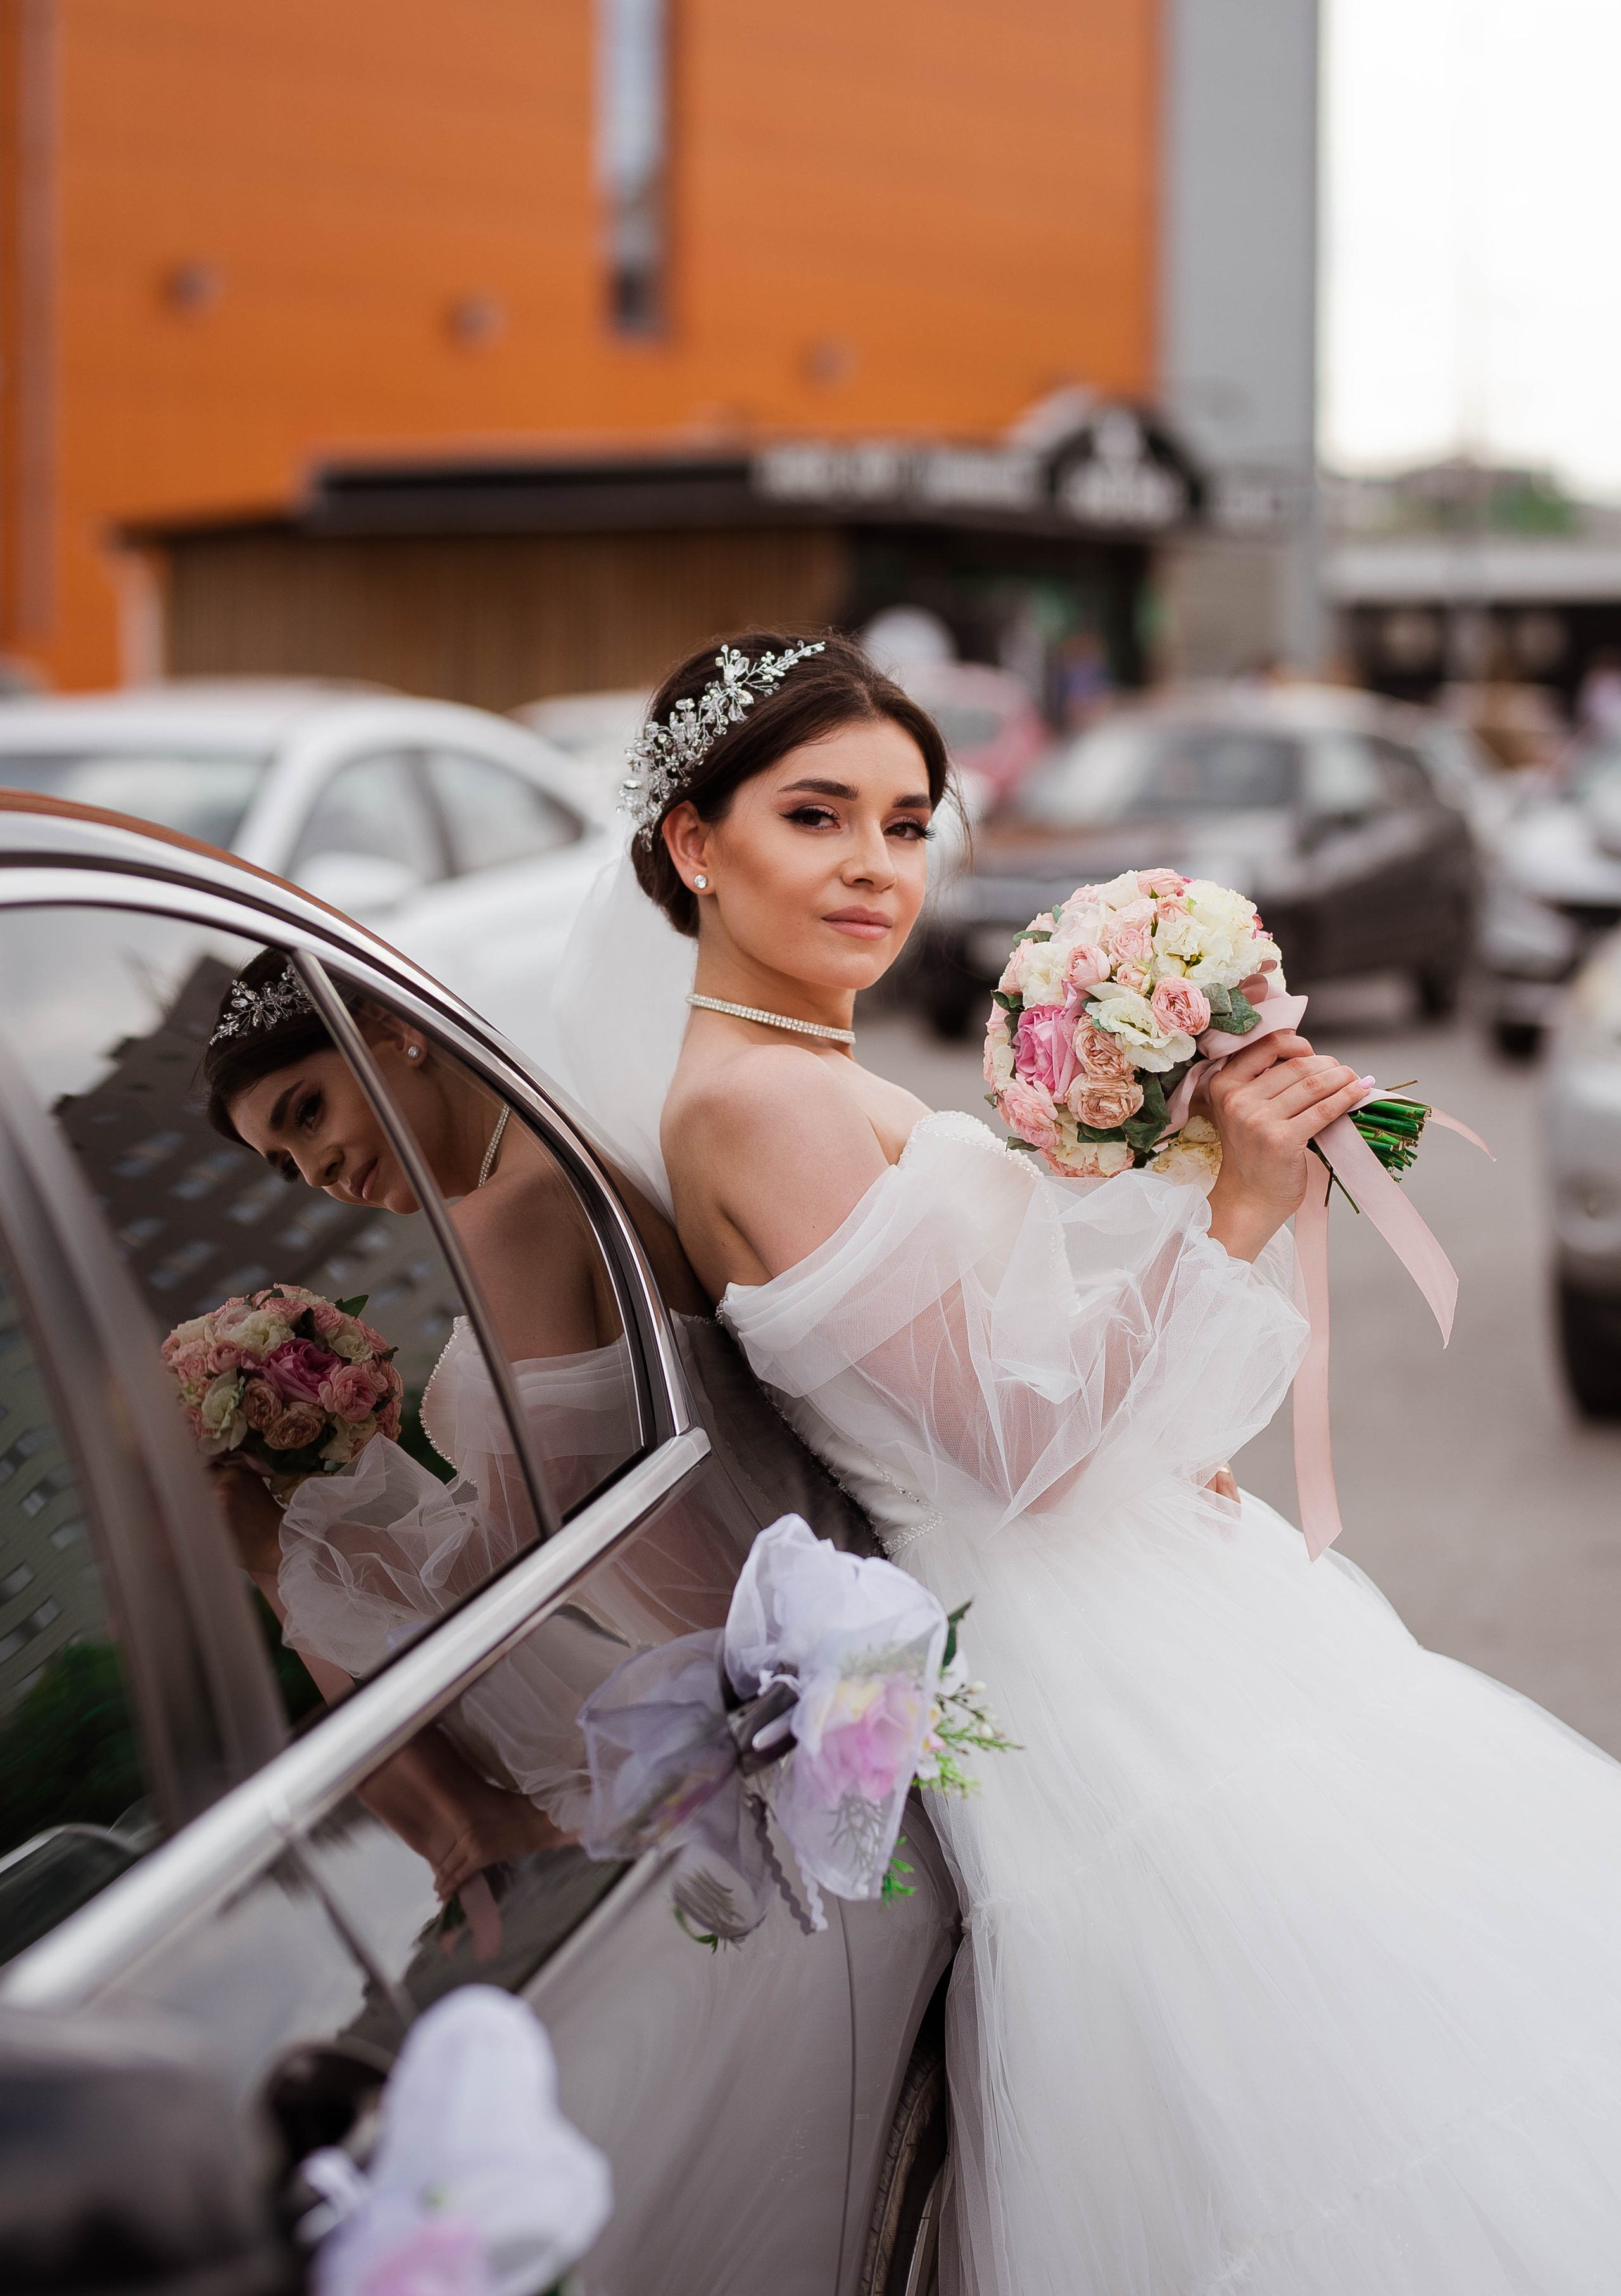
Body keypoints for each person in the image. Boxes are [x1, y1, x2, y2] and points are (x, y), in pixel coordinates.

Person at [555, 626, 1621, 2296]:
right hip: (1074, 1652)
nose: (875, 866)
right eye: (817, 815)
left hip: (1123, 1601)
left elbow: (1004, 1379)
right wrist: (1239, 1208)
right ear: (697, 843)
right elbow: (1020, 1451)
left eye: (908, 824)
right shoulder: (759, 1103)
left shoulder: (804, 1073)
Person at [200, 957, 638, 1903]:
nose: (312, 1173)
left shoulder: (505, 1218)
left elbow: (506, 1588)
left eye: (306, 1114)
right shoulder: (551, 1155)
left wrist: (281, 1561)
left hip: (681, 1699)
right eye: (285, 1166)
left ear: (390, 1028)